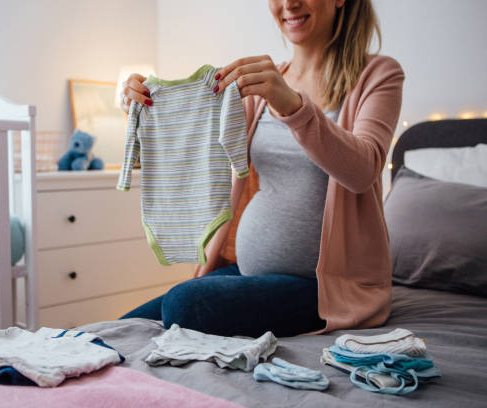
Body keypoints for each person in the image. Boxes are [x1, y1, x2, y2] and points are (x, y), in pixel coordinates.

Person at [117, 0, 404, 338]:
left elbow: (363, 169)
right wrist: (146, 108)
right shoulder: (262, 84)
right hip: (246, 273)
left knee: (183, 305)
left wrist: (293, 106)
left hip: (325, 290)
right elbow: (198, 155)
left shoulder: (379, 74)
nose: (289, 4)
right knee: (121, 329)